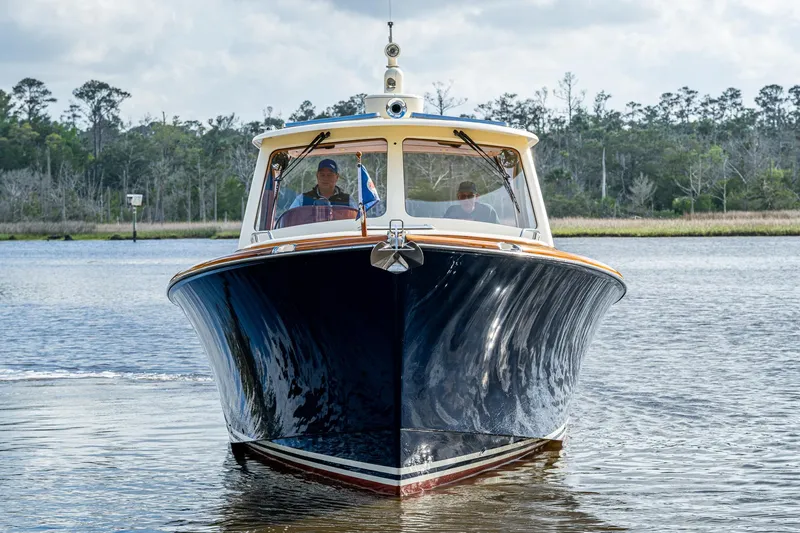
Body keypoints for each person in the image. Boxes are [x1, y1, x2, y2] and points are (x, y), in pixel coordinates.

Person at [288, 159, 357, 209]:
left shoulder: (348, 200)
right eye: (322, 175)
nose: (325, 178)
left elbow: (358, 221)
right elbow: (289, 219)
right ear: (317, 176)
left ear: (337, 177)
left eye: (329, 175)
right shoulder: (302, 199)